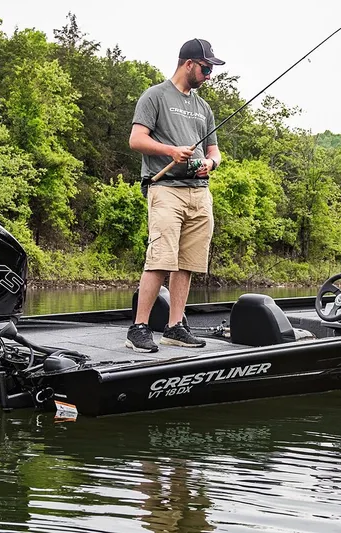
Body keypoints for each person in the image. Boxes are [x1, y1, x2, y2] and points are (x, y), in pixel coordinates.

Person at [125, 38, 224, 353]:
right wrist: (170, 150)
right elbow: (136, 139)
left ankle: (175, 327)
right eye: (206, 68)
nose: (209, 76)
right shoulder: (155, 96)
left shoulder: (203, 107)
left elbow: (215, 151)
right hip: (165, 190)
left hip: (199, 193)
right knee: (160, 259)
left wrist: (210, 163)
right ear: (189, 64)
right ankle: (138, 328)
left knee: (187, 263)